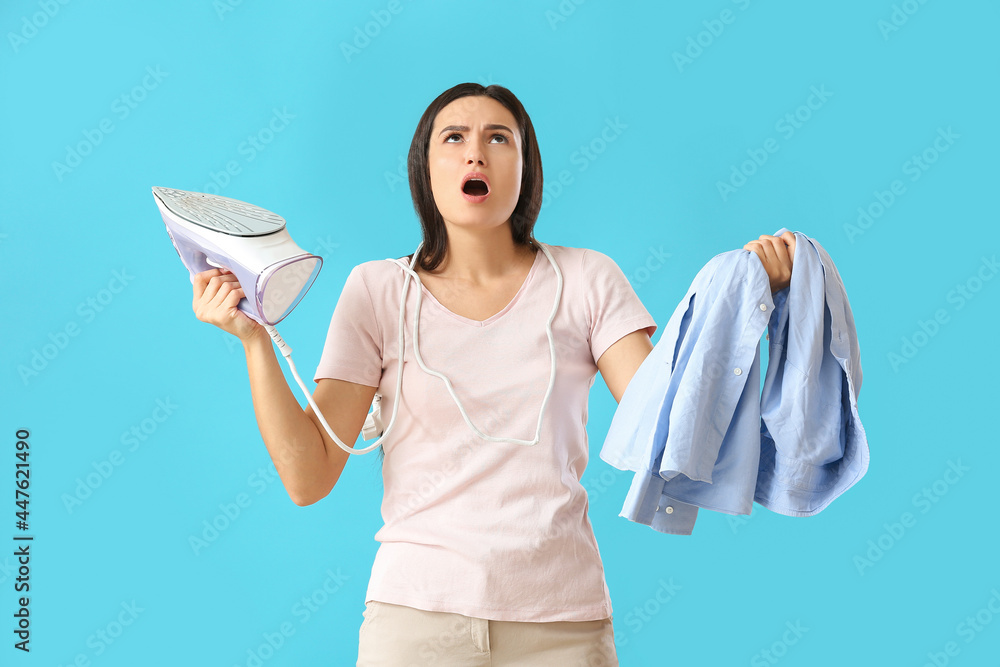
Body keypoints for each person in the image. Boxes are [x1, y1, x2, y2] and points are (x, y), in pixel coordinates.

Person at [190, 82, 795, 666]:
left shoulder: (587, 280)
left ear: (525, 169)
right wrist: (253, 342)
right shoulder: (377, 291)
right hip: (414, 621)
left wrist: (741, 301)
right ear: (426, 172)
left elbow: (665, 425)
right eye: (453, 137)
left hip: (562, 625)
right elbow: (308, 476)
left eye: (498, 138)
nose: (475, 151)